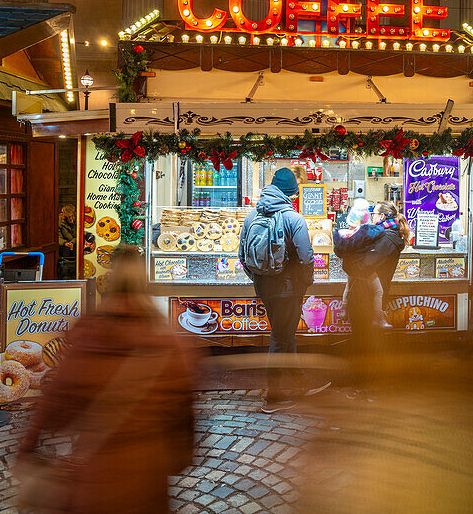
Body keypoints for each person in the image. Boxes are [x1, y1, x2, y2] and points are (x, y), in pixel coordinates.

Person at [16, 246, 194, 514]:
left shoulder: (89, 340)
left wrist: (29, 450)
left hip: (94, 489)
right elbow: (184, 429)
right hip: (148, 490)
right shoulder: (168, 345)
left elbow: (51, 409)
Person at [238, 167, 315, 413]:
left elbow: (242, 256)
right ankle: (274, 397)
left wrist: (258, 278)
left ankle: (300, 382)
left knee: (285, 334)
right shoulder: (294, 218)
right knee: (280, 338)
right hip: (289, 290)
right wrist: (305, 282)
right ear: (291, 193)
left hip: (264, 287)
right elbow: (306, 257)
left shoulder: (252, 216)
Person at [333, 201, 408, 329]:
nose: (372, 216)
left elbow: (366, 265)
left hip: (366, 302)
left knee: (364, 342)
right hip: (365, 299)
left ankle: (372, 316)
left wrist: (349, 264)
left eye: (374, 213)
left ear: (382, 217)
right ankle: (347, 310)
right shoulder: (380, 234)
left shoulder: (385, 237)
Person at [58, 205, 77, 280]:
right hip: (64, 247)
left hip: (75, 244)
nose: (61, 214)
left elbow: (79, 234)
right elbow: (57, 236)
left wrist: (72, 242)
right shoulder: (59, 222)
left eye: (63, 213)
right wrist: (64, 243)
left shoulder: (76, 222)